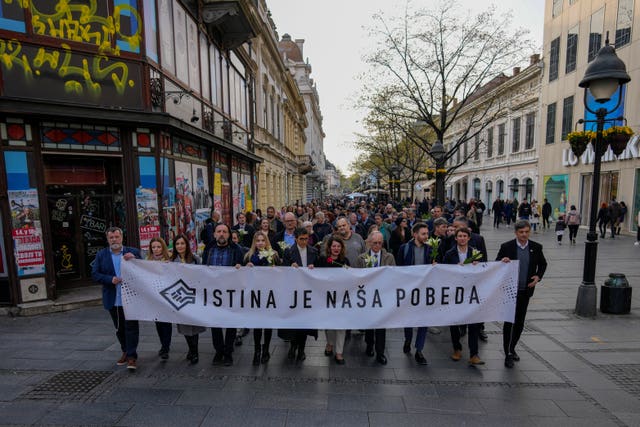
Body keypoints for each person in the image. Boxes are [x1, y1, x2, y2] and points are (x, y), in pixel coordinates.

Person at [497, 220, 547, 368]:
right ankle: (507, 353)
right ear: (516, 233)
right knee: (509, 322)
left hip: (526, 291)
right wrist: (502, 261)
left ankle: (512, 347)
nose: (524, 235)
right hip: (510, 291)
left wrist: (538, 276)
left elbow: (543, 264)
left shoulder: (536, 247)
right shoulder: (507, 247)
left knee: (519, 322)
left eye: (526, 232)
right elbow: (497, 264)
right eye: (521, 232)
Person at [91, 227, 141, 371]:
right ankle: (125, 351)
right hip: (113, 298)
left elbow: (145, 270)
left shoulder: (133, 252)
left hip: (130, 297)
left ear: (122, 238)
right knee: (119, 328)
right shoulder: (102, 255)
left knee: (131, 327)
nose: (114, 240)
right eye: (111, 237)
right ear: (107, 239)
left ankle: (132, 357)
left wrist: (135, 260)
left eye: (116, 237)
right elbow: (94, 274)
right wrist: (109, 279)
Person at [202, 223, 244, 366]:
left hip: (230, 292)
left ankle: (228, 352)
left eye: (224, 231)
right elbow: (203, 269)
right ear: (214, 234)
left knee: (230, 323)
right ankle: (218, 351)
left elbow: (242, 270)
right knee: (215, 323)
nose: (221, 234)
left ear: (228, 234)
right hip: (213, 292)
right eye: (219, 231)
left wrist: (240, 267)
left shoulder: (236, 250)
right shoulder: (209, 249)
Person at [443, 227, 484, 365]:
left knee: (473, 322)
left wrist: (478, 265)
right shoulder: (449, 254)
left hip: (471, 292)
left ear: (468, 238)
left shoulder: (476, 253)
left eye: (464, 236)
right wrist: (455, 268)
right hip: (455, 292)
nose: (462, 238)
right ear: (455, 238)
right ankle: (457, 348)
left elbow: (485, 269)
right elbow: (444, 271)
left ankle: (474, 354)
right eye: (459, 236)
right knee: (454, 322)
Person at [355, 231, 395, 365]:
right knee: (369, 323)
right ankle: (369, 344)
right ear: (369, 243)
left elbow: (394, 274)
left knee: (381, 325)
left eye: (380, 243)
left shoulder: (389, 257)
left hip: (382, 296)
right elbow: (356, 277)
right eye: (375, 243)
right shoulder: (361, 258)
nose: (377, 245)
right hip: (367, 296)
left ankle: (380, 352)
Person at [396, 222, 432, 365]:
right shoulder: (404, 249)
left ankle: (419, 350)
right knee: (409, 319)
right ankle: (408, 338)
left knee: (424, 321)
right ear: (415, 234)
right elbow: (398, 269)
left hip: (425, 290)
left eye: (427, 233)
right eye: (423, 233)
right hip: (409, 290)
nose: (426, 236)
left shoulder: (431, 249)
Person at [243, 231, 280, 365]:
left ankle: (266, 349)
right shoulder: (249, 256)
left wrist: (275, 269)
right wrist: (245, 268)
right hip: (255, 295)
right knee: (257, 324)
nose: (260, 243)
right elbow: (242, 276)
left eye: (262, 240)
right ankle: (257, 350)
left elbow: (281, 273)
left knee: (268, 324)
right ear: (254, 242)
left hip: (269, 293)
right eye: (257, 240)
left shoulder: (274, 255)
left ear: (266, 241)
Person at [282, 227, 319, 361]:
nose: (304, 241)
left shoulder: (314, 251)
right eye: (301, 239)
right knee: (294, 323)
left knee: (304, 323)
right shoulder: (288, 252)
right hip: (294, 291)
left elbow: (319, 270)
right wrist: (290, 267)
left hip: (308, 292)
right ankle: (293, 346)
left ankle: (302, 349)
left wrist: (314, 268)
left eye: (306, 239)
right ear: (296, 239)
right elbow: (283, 269)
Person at [171, 234, 205, 364]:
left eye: (182, 243)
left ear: (187, 245)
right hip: (180, 297)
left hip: (193, 296)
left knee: (193, 327)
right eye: (177, 244)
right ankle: (191, 349)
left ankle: (195, 352)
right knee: (184, 326)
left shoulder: (195, 258)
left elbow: (202, 275)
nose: (180, 246)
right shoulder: (172, 260)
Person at [318, 236, 350, 365]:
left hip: (341, 298)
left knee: (341, 326)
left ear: (341, 248)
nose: (336, 248)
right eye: (334, 246)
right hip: (326, 298)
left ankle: (339, 352)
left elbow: (350, 277)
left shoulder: (345, 261)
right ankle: (330, 344)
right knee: (329, 324)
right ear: (329, 247)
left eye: (338, 246)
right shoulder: (322, 260)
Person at [146, 237, 173, 361]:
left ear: (163, 247)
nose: (156, 249)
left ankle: (166, 348)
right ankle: (163, 345)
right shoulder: (147, 261)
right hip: (154, 297)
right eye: (153, 247)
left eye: (158, 247)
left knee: (166, 323)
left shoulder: (169, 260)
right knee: (158, 323)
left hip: (166, 297)